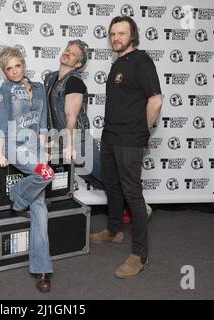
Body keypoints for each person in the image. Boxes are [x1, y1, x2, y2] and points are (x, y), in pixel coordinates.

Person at [90, 16, 163, 278]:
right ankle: (114, 230)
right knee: (112, 185)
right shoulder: (118, 63)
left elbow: (155, 99)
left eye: (121, 33)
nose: (116, 38)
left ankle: (140, 254)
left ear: (132, 36)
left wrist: (143, 131)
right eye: (112, 34)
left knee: (133, 193)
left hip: (129, 139)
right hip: (110, 135)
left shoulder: (141, 61)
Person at [0, 47, 54, 293]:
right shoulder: (5, 89)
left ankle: (42, 268)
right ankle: (18, 199)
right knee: (45, 175)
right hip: (14, 144)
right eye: (8, 68)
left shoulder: (39, 87)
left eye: (17, 65)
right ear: (4, 71)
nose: (14, 71)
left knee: (39, 207)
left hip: (35, 147)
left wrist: (45, 150)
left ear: (23, 64)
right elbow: (0, 122)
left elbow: (41, 123)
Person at [43, 40, 104, 189]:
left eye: (74, 53)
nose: (68, 53)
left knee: (106, 177)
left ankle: (137, 206)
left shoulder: (74, 82)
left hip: (78, 141)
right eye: (67, 49)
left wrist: (69, 145)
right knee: (92, 178)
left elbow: (72, 117)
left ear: (78, 64)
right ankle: (123, 205)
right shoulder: (50, 78)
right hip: (60, 140)